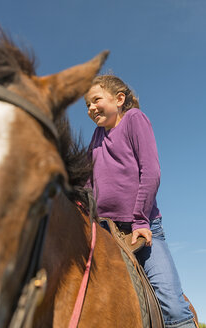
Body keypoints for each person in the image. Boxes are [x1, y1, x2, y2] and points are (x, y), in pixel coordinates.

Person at [84, 74, 196, 328]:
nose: (90, 108)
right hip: (104, 231)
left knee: (173, 307)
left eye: (96, 100)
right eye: (87, 105)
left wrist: (140, 220)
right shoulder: (96, 135)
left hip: (142, 229)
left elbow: (151, 172)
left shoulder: (134, 119)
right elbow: (87, 181)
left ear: (119, 99)